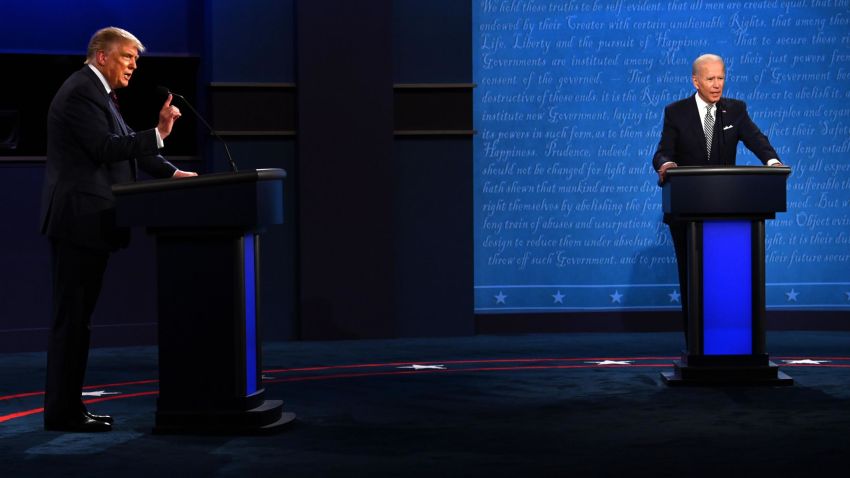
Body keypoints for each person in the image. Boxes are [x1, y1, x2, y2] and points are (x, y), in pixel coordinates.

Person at [39, 27, 197, 432]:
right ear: (102, 55)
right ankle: (63, 413)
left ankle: (68, 409)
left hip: (89, 223)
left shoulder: (99, 95)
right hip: (78, 221)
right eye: (128, 57)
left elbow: (125, 142)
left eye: (136, 59)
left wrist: (172, 172)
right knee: (72, 320)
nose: (133, 66)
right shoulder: (80, 92)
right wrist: (160, 133)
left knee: (78, 319)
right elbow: (105, 149)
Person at [651, 53, 785, 346]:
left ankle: (733, 344)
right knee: (694, 279)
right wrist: (666, 164)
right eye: (710, 78)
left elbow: (756, 139)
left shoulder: (735, 110)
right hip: (687, 211)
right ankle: (696, 347)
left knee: (728, 281)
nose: (717, 84)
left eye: (721, 78)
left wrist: (773, 161)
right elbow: (662, 151)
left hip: (730, 211)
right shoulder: (676, 112)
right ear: (695, 81)